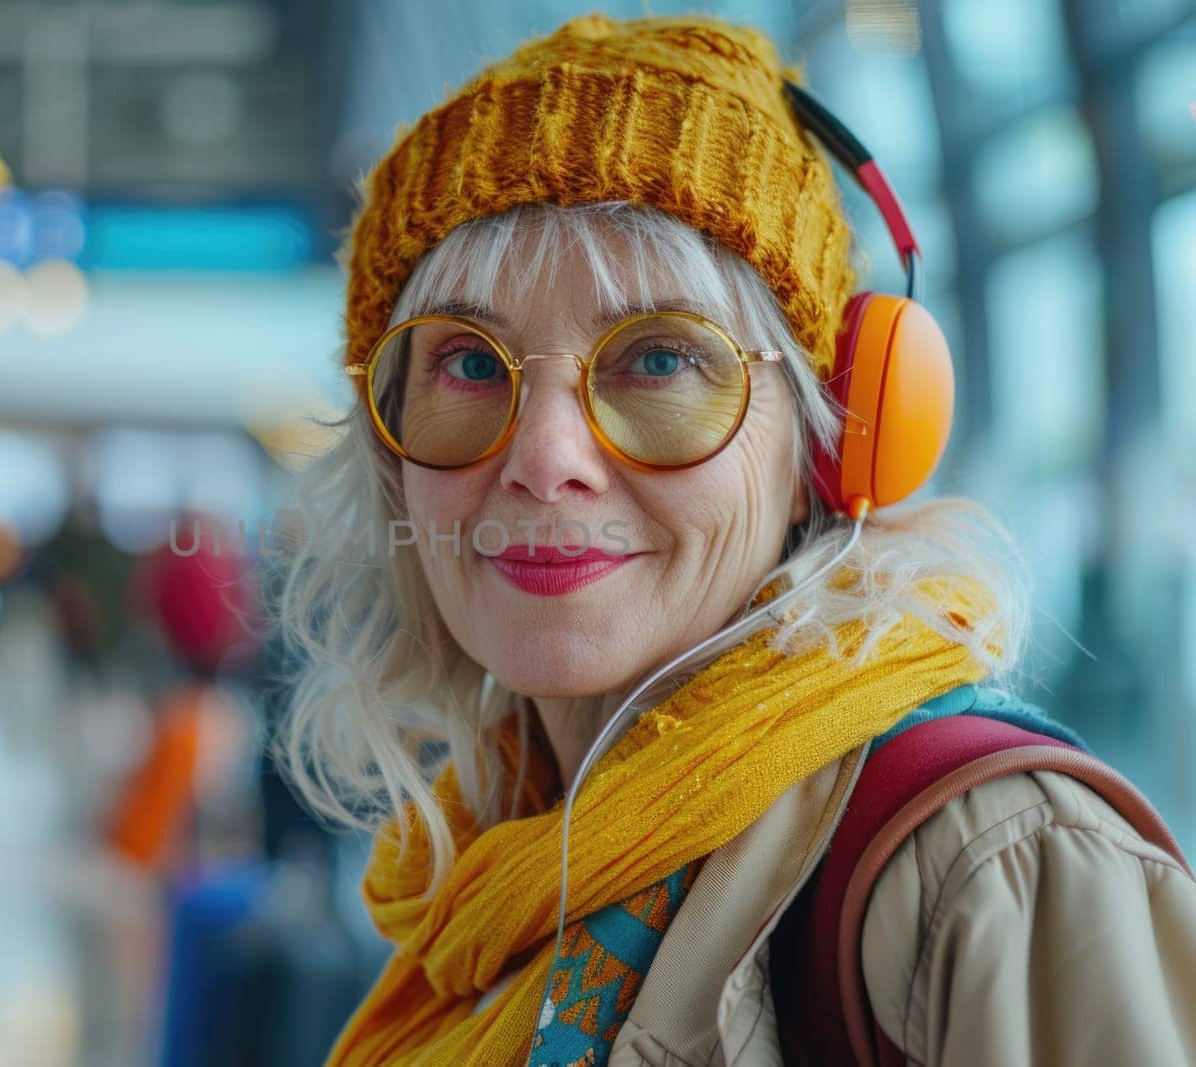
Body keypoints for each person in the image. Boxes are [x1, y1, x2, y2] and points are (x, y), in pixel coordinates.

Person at [268, 14, 1196, 1067]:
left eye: (659, 360)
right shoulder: (485, 872)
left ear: (830, 437)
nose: (541, 456)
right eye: (471, 366)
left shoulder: (986, 872)